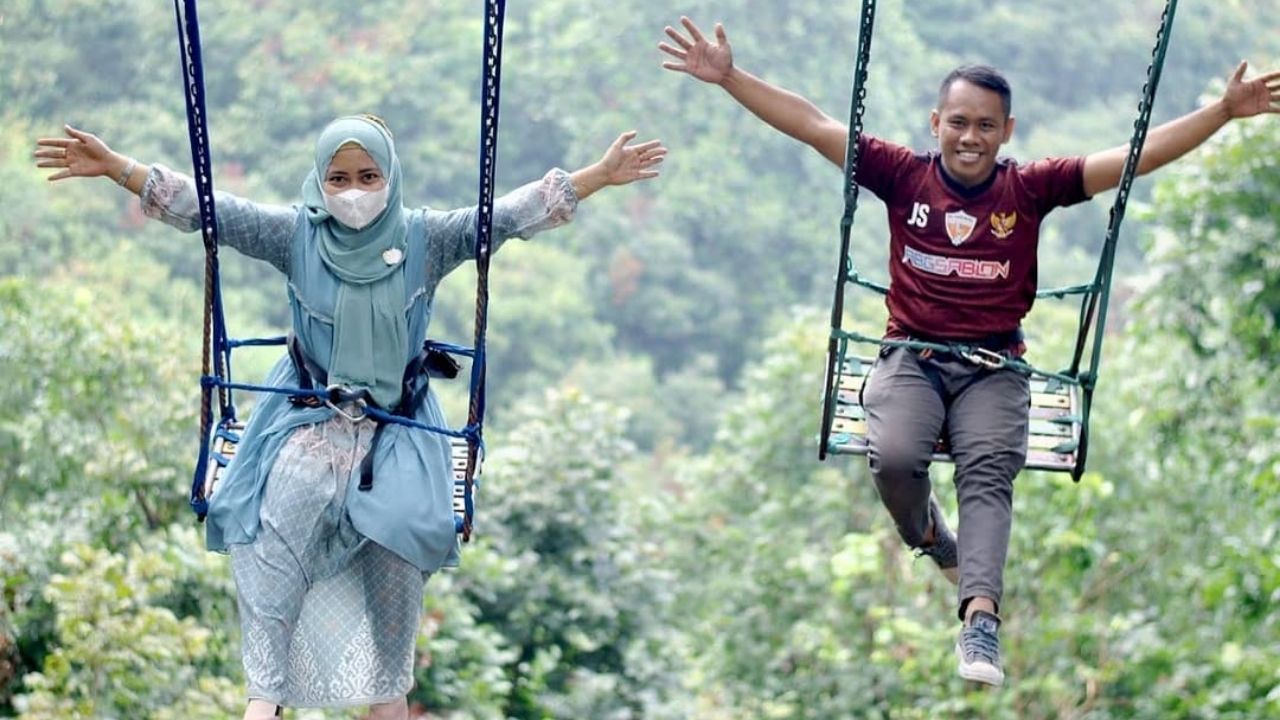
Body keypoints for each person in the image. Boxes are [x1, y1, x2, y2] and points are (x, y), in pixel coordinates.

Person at [659, 16, 1280, 687]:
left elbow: (1131, 160)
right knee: (895, 457)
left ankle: (980, 617)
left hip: (993, 369)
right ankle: (930, 538)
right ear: (936, 123)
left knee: (988, 470)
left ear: (1006, 132)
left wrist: (1221, 112)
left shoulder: (1031, 188)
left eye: (986, 125)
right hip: (912, 358)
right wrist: (728, 79)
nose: (970, 137)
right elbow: (813, 125)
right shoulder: (903, 176)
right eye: (958, 122)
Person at [34, 115, 666, 718]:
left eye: (368, 178)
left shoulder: (428, 238)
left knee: (402, 531)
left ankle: (387, 699)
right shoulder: (295, 235)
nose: (354, 192)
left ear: (389, 178)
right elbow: (211, 211)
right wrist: (117, 167)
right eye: (339, 179)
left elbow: (508, 217)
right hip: (308, 412)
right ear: (319, 182)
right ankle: (264, 697)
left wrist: (599, 175)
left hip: (398, 422)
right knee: (276, 517)